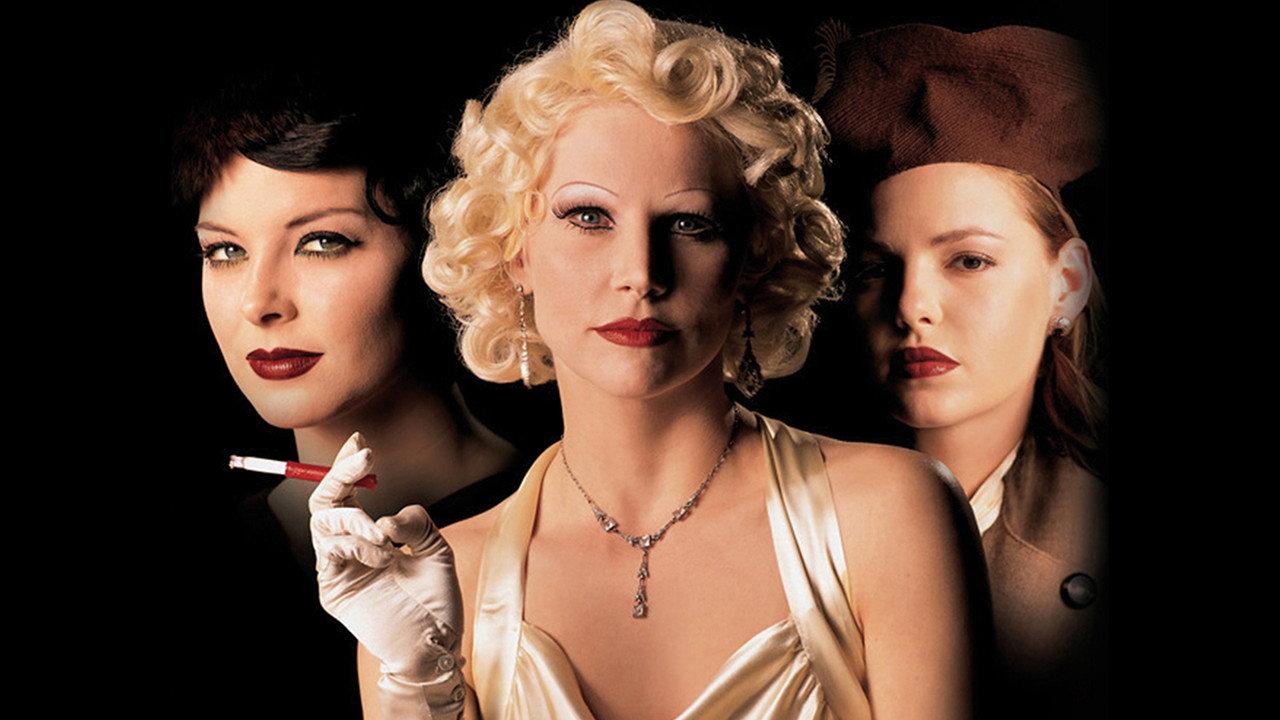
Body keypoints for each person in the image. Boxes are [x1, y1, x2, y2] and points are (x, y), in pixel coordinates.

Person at [309, 3, 992, 718]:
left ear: (752, 257)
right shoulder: (442, 585)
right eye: (588, 217)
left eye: (689, 224)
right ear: (514, 250)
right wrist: (420, 682)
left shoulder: (887, 516)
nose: (640, 273)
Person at [172, 68, 529, 716]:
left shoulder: (561, 516)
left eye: (320, 243)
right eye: (223, 252)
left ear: (439, 247)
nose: (258, 302)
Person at [813, 22, 1108, 718]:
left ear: (1066, 285)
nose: (912, 305)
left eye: (969, 260)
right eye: (876, 269)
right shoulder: (771, 508)